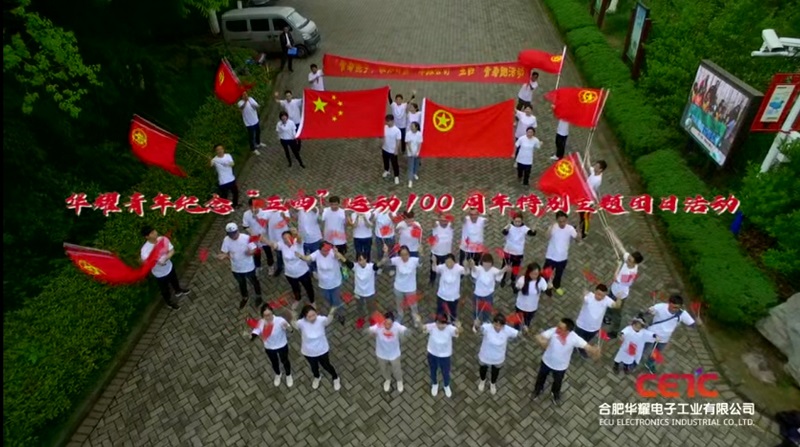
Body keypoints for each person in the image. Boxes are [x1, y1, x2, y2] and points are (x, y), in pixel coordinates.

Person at [533, 318, 601, 405]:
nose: (557, 329)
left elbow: (588, 347)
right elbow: (539, 336)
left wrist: (595, 350)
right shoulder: (554, 330)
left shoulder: (575, 338)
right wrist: (541, 341)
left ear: (568, 331)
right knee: (541, 378)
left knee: (558, 382)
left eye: (560, 328)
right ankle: (538, 390)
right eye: (558, 326)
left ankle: (555, 394)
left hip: (561, 367)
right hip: (546, 362)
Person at [643, 294, 698, 373]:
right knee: (643, 347)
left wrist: (698, 323)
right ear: (669, 303)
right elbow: (646, 313)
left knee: (656, 352)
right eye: (673, 307)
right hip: (651, 333)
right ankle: (633, 359)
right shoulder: (660, 307)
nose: (675, 310)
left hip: (664, 338)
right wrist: (648, 311)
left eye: (678, 308)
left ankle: (649, 363)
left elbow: (692, 325)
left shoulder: (682, 314)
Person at [299, 243, 348, 324]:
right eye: (324, 251)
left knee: (336, 301)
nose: (326, 252)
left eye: (327, 250)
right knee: (328, 299)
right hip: (323, 284)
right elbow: (308, 258)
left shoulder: (332, 252)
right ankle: (333, 309)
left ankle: (340, 314)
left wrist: (336, 253)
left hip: (335, 283)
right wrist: (301, 256)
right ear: (320, 250)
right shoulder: (317, 253)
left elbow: (339, 257)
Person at [140, 226, 188, 310]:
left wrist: (166, 258)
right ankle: (169, 302)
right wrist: (156, 262)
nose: (155, 233)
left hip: (169, 267)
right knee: (165, 290)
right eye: (152, 233)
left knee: (175, 280)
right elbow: (147, 263)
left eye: (154, 231)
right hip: (159, 274)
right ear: (147, 237)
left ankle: (178, 290)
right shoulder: (145, 250)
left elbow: (172, 250)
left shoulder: (162, 239)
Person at [294, 305, 341, 390]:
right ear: (305, 317)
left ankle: (335, 377)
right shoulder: (301, 323)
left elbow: (327, 321)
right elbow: (295, 326)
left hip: (322, 350)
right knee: (314, 367)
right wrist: (292, 318)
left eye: (314, 315)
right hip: (309, 352)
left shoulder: (321, 319)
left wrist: (331, 313)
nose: (312, 318)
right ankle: (317, 377)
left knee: (326, 365)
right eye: (309, 317)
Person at [265, 230, 315, 310]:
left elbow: (299, 239)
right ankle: (298, 299)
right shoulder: (282, 244)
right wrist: (264, 240)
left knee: (308, 287)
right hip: (290, 273)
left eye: (288, 237)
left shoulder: (297, 243)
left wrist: (296, 234)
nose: (286, 240)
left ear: (292, 237)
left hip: (303, 272)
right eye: (284, 238)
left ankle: (312, 301)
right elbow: (274, 245)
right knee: (295, 288)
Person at [218, 223, 262, 309]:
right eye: (230, 234)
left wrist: (250, 252)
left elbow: (254, 249)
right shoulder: (226, 240)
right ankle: (245, 296)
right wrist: (224, 256)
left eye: (234, 233)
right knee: (241, 283)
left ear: (237, 231)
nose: (232, 236)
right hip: (236, 268)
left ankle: (258, 296)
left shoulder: (246, 238)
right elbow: (225, 252)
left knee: (254, 282)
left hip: (248, 267)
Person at [250, 303, 294, 387]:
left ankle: (288, 375)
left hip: (282, 345)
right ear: (262, 315)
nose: (268, 317)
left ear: (272, 312)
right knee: (274, 362)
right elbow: (255, 332)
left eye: (269, 314)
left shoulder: (280, 320)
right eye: (265, 315)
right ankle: (278, 374)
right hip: (269, 348)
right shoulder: (261, 322)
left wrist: (288, 327)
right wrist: (251, 336)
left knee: (285, 361)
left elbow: (291, 330)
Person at [475, 314, 519, 395]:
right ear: (493, 323)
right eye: (496, 324)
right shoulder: (487, 327)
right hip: (485, 356)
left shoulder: (507, 330)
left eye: (500, 325)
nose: (498, 327)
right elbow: (479, 330)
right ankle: (482, 381)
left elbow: (518, 335)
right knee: (483, 370)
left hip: (498, 358)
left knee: (495, 372)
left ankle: (492, 383)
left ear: (503, 325)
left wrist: (525, 332)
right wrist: (477, 326)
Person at [605, 251, 644, 338]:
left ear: (635, 263)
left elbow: (615, 278)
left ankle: (614, 332)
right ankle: (608, 317)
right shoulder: (632, 262)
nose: (627, 260)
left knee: (617, 314)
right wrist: (616, 242)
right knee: (609, 305)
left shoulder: (629, 274)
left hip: (619, 295)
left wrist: (619, 265)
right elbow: (622, 250)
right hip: (614, 289)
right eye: (628, 258)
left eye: (629, 260)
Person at [574, 284, 620, 358]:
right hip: (581, 326)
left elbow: (616, 306)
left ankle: (581, 348)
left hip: (594, 329)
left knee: (585, 341)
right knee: (575, 339)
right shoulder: (589, 296)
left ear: (605, 295)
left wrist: (619, 298)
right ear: (595, 291)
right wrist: (583, 295)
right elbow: (582, 299)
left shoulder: (606, 300)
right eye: (598, 294)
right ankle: (573, 348)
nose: (600, 297)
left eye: (602, 295)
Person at [367, 311, 409, 393]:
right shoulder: (378, 325)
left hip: (394, 354)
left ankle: (399, 380)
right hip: (381, 354)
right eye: (386, 323)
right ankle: (387, 379)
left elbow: (404, 330)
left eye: (390, 324)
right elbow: (370, 330)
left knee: (396, 369)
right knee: (383, 368)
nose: (387, 325)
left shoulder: (397, 326)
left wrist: (405, 333)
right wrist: (370, 332)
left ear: (393, 323)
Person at [543, 211, 580, 296]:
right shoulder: (553, 227)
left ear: (567, 220)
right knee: (546, 273)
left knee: (559, 274)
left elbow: (578, 240)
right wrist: (550, 227)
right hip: (551, 256)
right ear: (557, 220)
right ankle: (545, 286)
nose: (562, 223)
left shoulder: (570, 229)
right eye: (560, 221)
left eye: (564, 221)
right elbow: (547, 236)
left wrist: (579, 233)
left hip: (563, 257)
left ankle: (556, 286)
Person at [423, 315, 460, 398]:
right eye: (439, 323)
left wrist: (459, 327)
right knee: (433, 370)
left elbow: (457, 332)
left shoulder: (450, 329)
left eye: (443, 323)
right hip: (432, 354)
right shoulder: (432, 326)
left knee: (446, 372)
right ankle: (434, 384)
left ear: (446, 323)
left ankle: (446, 385)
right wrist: (418, 322)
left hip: (445, 356)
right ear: (436, 322)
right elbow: (423, 328)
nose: (441, 326)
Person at [500, 213, 536, 287]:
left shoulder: (524, 228)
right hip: (508, 251)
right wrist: (506, 229)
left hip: (518, 253)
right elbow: (504, 232)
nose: (517, 223)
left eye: (519, 221)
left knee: (515, 268)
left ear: (522, 221)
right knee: (505, 266)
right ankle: (502, 278)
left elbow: (531, 233)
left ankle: (513, 280)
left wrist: (534, 230)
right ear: (513, 220)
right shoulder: (509, 226)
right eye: (516, 221)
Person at [469, 254, 506, 323]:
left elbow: (499, 273)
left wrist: (504, 270)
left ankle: (485, 322)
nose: (486, 266)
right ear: (482, 263)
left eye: (488, 264)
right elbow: (474, 270)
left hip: (488, 295)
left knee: (487, 310)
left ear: (491, 263)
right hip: (478, 294)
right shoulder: (479, 268)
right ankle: (476, 321)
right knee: (476, 310)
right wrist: (472, 265)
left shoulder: (493, 270)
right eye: (485, 264)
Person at [512, 263, 548, 331]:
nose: (534, 276)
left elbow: (547, 292)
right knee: (517, 320)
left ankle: (526, 326)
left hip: (532, 307)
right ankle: (516, 330)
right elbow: (515, 291)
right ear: (528, 272)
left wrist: (550, 288)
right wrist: (518, 288)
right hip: (520, 306)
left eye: (536, 274)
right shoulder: (522, 279)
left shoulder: (541, 281)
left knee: (528, 319)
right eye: (532, 273)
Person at [390, 245, 421, 325]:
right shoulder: (397, 260)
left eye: (406, 254)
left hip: (411, 289)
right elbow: (387, 262)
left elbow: (421, 262)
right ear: (399, 255)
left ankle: (415, 317)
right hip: (398, 288)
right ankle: (400, 315)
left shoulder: (414, 260)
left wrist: (421, 253)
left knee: (413, 305)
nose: (404, 257)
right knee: (399, 304)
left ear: (409, 254)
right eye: (402, 255)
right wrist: (386, 253)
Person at [242, 198, 274, 274]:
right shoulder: (246, 214)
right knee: (256, 254)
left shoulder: (265, 213)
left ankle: (271, 266)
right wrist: (252, 233)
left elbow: (269, 225)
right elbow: (245, 226)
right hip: (254, 239)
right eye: (252, 207)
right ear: (249, 206)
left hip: (265, 237)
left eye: (256, 207)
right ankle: (258, 266)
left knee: (268, 253)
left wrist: (264, 235)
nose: (254, 209)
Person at [433, 254, 467, 322]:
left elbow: (466, 272)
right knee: (440, 313)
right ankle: (438, 323)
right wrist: (434, 261)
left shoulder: (458, 268)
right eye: (447, 262)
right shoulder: (443, 267)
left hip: (453, 297)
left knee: (452, 313)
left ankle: (452, 323)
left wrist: (466, 266)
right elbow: (434, 269)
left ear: (454, 262)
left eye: (450, 262)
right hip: (442, 295)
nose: (448, 264)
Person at [353, 253, 382, 327]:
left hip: (370, 293)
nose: (362, 262)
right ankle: (361, 318)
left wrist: (385, 254)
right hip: (358, 293)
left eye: (363, 259)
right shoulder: (355, 266)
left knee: (371, 307)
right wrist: (337, 254)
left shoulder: (371, 267)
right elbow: (345, 261)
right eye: (359, 260)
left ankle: (372, 318)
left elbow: (380, 263)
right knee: (359, 307)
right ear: (357, 261)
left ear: (366, 259)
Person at [579, 160, 606, 238]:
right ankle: (580, 225)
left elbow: (594, 191)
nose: (594, 167)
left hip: (589, 199)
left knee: (586, 216)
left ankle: (584, 232)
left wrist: (594, 203)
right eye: (595, 165)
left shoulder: (598, 180)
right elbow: (589, 167)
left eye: (597, 166)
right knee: (581, 213)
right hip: (585, 196)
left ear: (600, 170)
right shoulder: (594, 171)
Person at [262, 205, 291, 277]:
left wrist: (284, 216)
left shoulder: (284, 210)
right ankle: (280, 267)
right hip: (274, 238)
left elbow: (287, 221)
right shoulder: (267, 212)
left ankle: (289, 265)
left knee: (288, 252)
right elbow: (263, 221)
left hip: (284, 238)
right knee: (278, 254)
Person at [295, 204, 323, 274]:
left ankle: (315, 269)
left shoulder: (315, 209)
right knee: (303, 255)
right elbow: (295, 217)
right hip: (303, 239)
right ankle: (307, 269)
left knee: (314, 256)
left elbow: (320, 219)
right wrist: (293, 208)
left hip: (314, 239)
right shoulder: (300, 210)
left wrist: (312, 207)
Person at [429, 214, 454, 286]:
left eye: (446, 220)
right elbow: (433, 221)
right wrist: (436, 218)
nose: (444, 222)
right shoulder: (436, 225)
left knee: (445, 269)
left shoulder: (450, 225)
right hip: (435, 252)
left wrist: (450, 218)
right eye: (442, 220)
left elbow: (454, 223)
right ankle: (432, 280)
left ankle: (444, 281)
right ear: (439, 219)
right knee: (433, 268)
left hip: (446, 253)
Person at [388, 89, 416, 154]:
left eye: (400, 99)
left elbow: (410, 101)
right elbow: (389, 99)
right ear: (395, 100)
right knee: (395, 138)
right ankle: (394, 148)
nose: (398, 101)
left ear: (402, 100)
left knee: (403, 138)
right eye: (397, 99)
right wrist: (388, 91)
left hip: (403, 126)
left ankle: (403, 150)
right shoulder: (393, 105)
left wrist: (413, 95)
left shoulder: (404, 105)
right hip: (396, 126)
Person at [374, 210, 397, 274]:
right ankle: (380, 266)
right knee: (380, 253)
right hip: (379, 236)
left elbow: (395, 221)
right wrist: (372, 214)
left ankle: (392, 267)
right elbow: (372, 220)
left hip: (390, 237)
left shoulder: (392, 211)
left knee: (391, 253)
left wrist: (391, 216)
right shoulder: (377, 210)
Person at [381, 114, 401, 185]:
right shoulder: (384, 127)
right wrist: (382, 143)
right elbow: (383, 136)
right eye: (386, 121)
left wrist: (396, 150)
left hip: (392, 150)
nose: (387, 123)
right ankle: (387, 170)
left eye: (388, 121)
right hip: (385, 148)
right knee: (385, 161)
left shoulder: (397, 131)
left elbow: (398, 141)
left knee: (394, 164)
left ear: (392, 121)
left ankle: (396, 176)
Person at [405, 122, 423, 188]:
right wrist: (412, 152)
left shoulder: (419, 134)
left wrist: (417, 152)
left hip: (417, 152)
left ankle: (415, 173)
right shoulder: (408, 134)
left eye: (413, 126)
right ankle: (410, 180)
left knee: (416, 163)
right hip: (410, 153)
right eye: (411, 126)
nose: (411, 127)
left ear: (416, 127)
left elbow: (419, 144)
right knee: (411, 166)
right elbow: (408, 143)